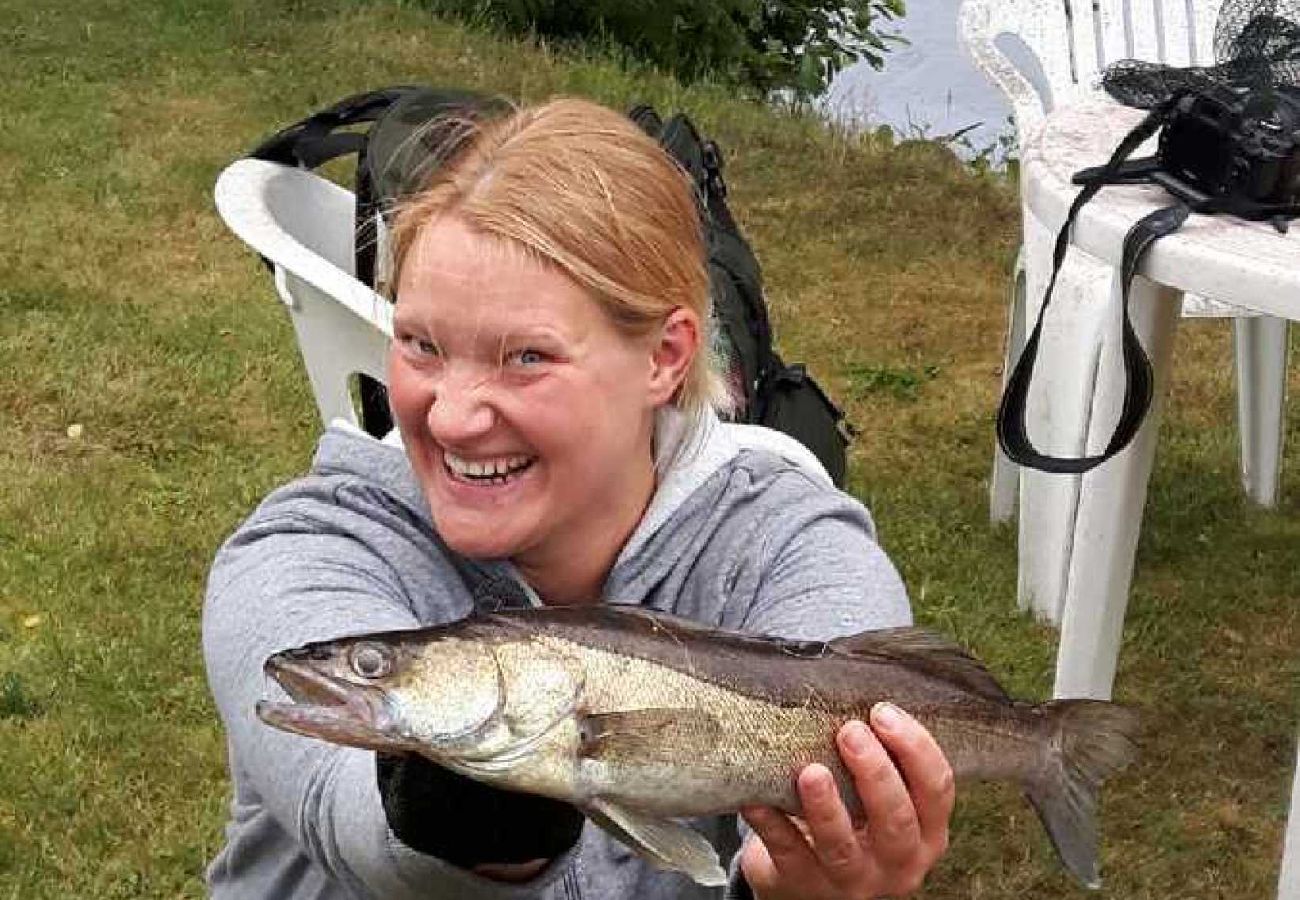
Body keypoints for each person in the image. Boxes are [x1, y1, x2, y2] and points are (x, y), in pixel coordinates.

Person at [203, 96, 955, 900]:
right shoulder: (302, 556)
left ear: (665, 358)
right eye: (421, 345)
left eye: (525, 358)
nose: (452, 414)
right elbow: (356, 824)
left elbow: (862, 740)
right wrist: (464, 814)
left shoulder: (794, 546)